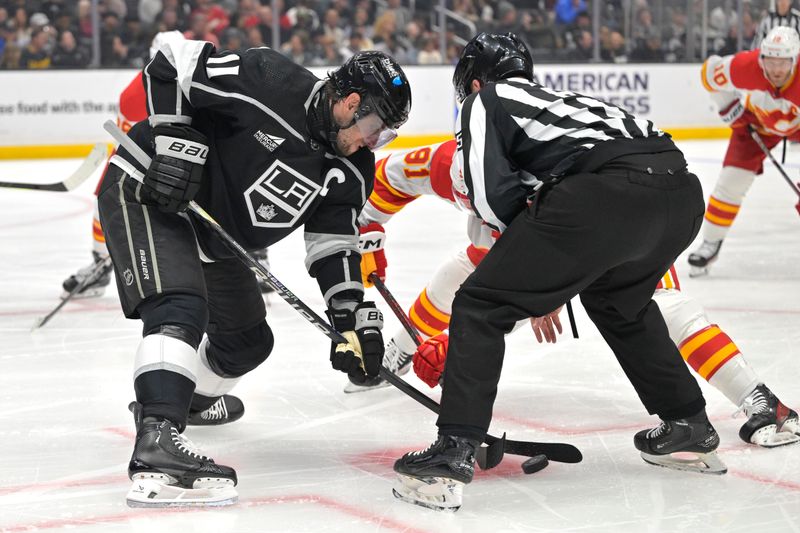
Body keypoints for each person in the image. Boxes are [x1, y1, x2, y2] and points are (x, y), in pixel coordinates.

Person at [391, 32, 719, 512]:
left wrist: (529, 272)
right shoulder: (566, 103)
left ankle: (453, 451)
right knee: (619, 303)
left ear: (474, 80)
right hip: (682, 197)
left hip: (608, 196)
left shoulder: (487, 99)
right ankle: (690, 425)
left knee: (481, 304)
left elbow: (490, 194)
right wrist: (547, 277)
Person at [97, 40, 411, 507]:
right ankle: (157, 440)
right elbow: (169, 60)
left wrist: (349, 313)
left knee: (247, 342)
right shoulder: (267, 78)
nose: (373, 140)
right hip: (150, 190)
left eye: (383, 134)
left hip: (216, 235)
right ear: (348, 103)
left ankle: (183, 398)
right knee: (179, 306)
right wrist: (174, 144)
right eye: (372, 126)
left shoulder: (352, 166)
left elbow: (332, 242)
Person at [353, 141, 799, 450]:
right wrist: (370, 228)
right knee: (457, 276)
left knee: (664, 309)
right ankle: (399, 350)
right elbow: (389, 178)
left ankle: (763, 402)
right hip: (542, 243)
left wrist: (476, 337)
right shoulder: (450, 163)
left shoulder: (552, 162)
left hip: (614, 231)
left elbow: (543, 271)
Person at [61, 31, 275, 299]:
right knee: (105, 198)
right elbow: (131, 151)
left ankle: (254, 254)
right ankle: (100, 265)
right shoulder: (133, 96)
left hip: (208, 159)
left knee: (234, 192)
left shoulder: (208, 79)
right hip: (160, 162)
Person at [688, 26, 800, 276]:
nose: (776, 69)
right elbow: (709, 73)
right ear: (761, 58)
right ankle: (711, 242)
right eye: (770, 61)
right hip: (756, 126)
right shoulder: (745, 67)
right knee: (731, 182)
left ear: (795, 60)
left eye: (783, 62)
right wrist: (730, 109)